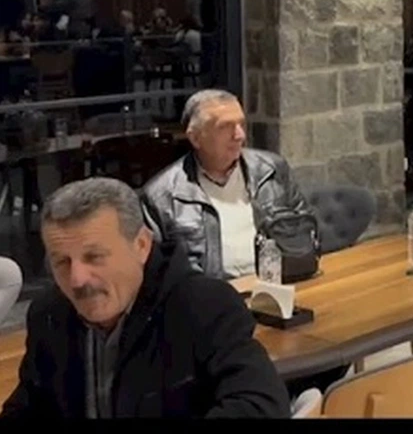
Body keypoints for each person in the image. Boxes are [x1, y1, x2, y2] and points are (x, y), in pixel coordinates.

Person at [1, 178, 289, 419]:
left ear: (141, 245)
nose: (77, 279)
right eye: (62, 262)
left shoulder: (204, 306)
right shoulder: (50, 315)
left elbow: (260, 407)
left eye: (94, 257)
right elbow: (29, 407)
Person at [141, 89, 315, 280]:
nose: (239, 135)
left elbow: (307, 231)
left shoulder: (271, 170)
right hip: (214, 294)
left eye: (241, 124)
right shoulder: (161, 196)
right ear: (195, 138)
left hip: (278, 283)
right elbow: (158, 276)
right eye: (225, 127)